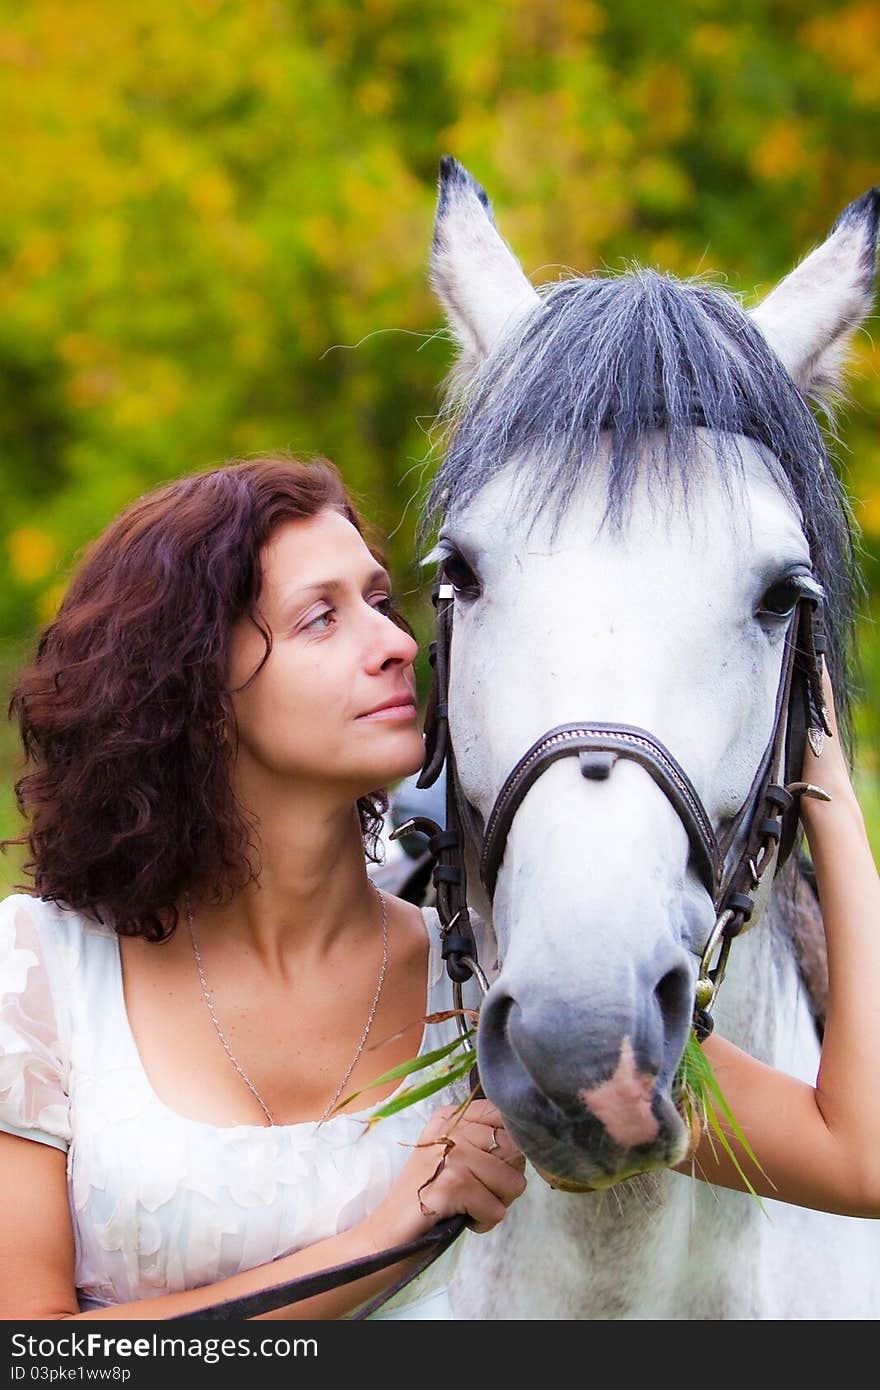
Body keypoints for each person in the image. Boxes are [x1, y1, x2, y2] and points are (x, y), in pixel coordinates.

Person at [0, 455, 526, 1321]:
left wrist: (811, 758)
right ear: (197, 692)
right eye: (321, 618)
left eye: (381, 603)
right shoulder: (44, 976)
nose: (397, 645)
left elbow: (837, 1154)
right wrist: (385, 1238)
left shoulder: (488, 976)